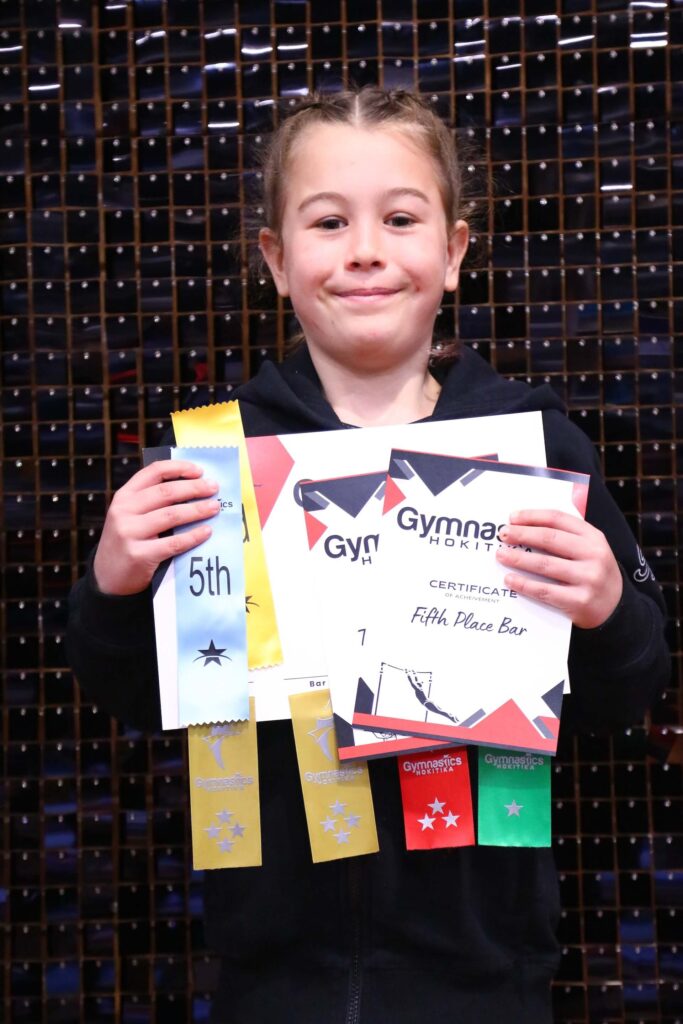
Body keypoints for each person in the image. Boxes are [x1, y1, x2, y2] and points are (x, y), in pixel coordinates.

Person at [67, 88, 670, 1023]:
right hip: (273, 978)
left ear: (454, 252)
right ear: (275, 259)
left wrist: (606, 611)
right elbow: (146, 700)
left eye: (398, 218)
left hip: (483, 977)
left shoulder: (537, 448)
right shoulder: (216, 461)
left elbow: (619, 695)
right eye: (327, 222)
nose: (364, 251)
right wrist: (111, 589)